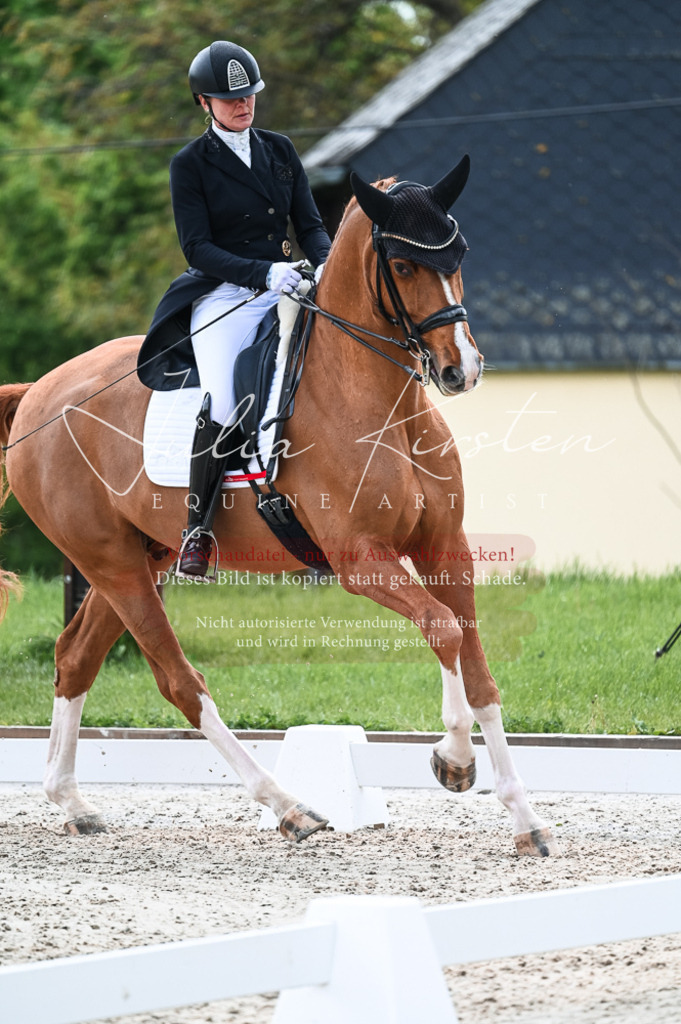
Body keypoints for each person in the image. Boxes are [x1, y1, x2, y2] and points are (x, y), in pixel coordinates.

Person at [137, 40, 332, 577]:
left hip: (288, 284)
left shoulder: (280, 149)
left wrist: (329, 268)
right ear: (204, 102)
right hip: (224, 294)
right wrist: (264, 273)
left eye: (247, 94)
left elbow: (310, 225)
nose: (242, 104)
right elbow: (197, 248)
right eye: (229, 98)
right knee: (225, 400)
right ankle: (197, 529)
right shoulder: (190, 165)